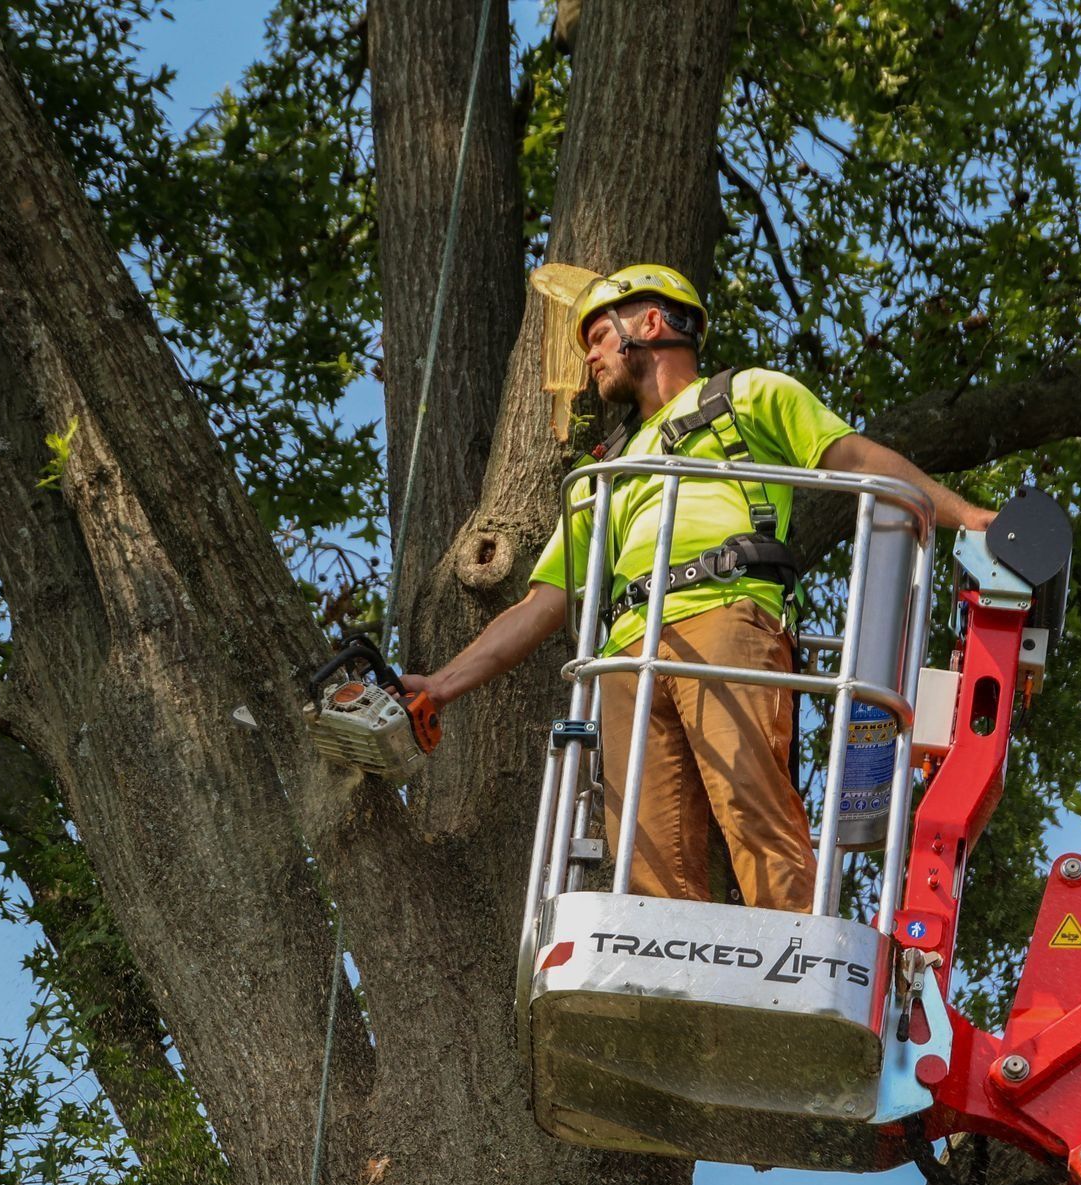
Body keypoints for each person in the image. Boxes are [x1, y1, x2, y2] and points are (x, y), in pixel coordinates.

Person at [402, 265, 993, 913]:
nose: (590, 355)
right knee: (646, 851)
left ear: (650, 325)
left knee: (750, 803)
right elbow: (542, 602)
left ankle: (796, 958)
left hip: (727, 617)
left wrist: (968, 518)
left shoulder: (745, 396)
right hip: (628, 654)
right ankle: (672, 994)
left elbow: (855, 460)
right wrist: (441, 686)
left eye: (600, 335)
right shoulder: (612, 469)